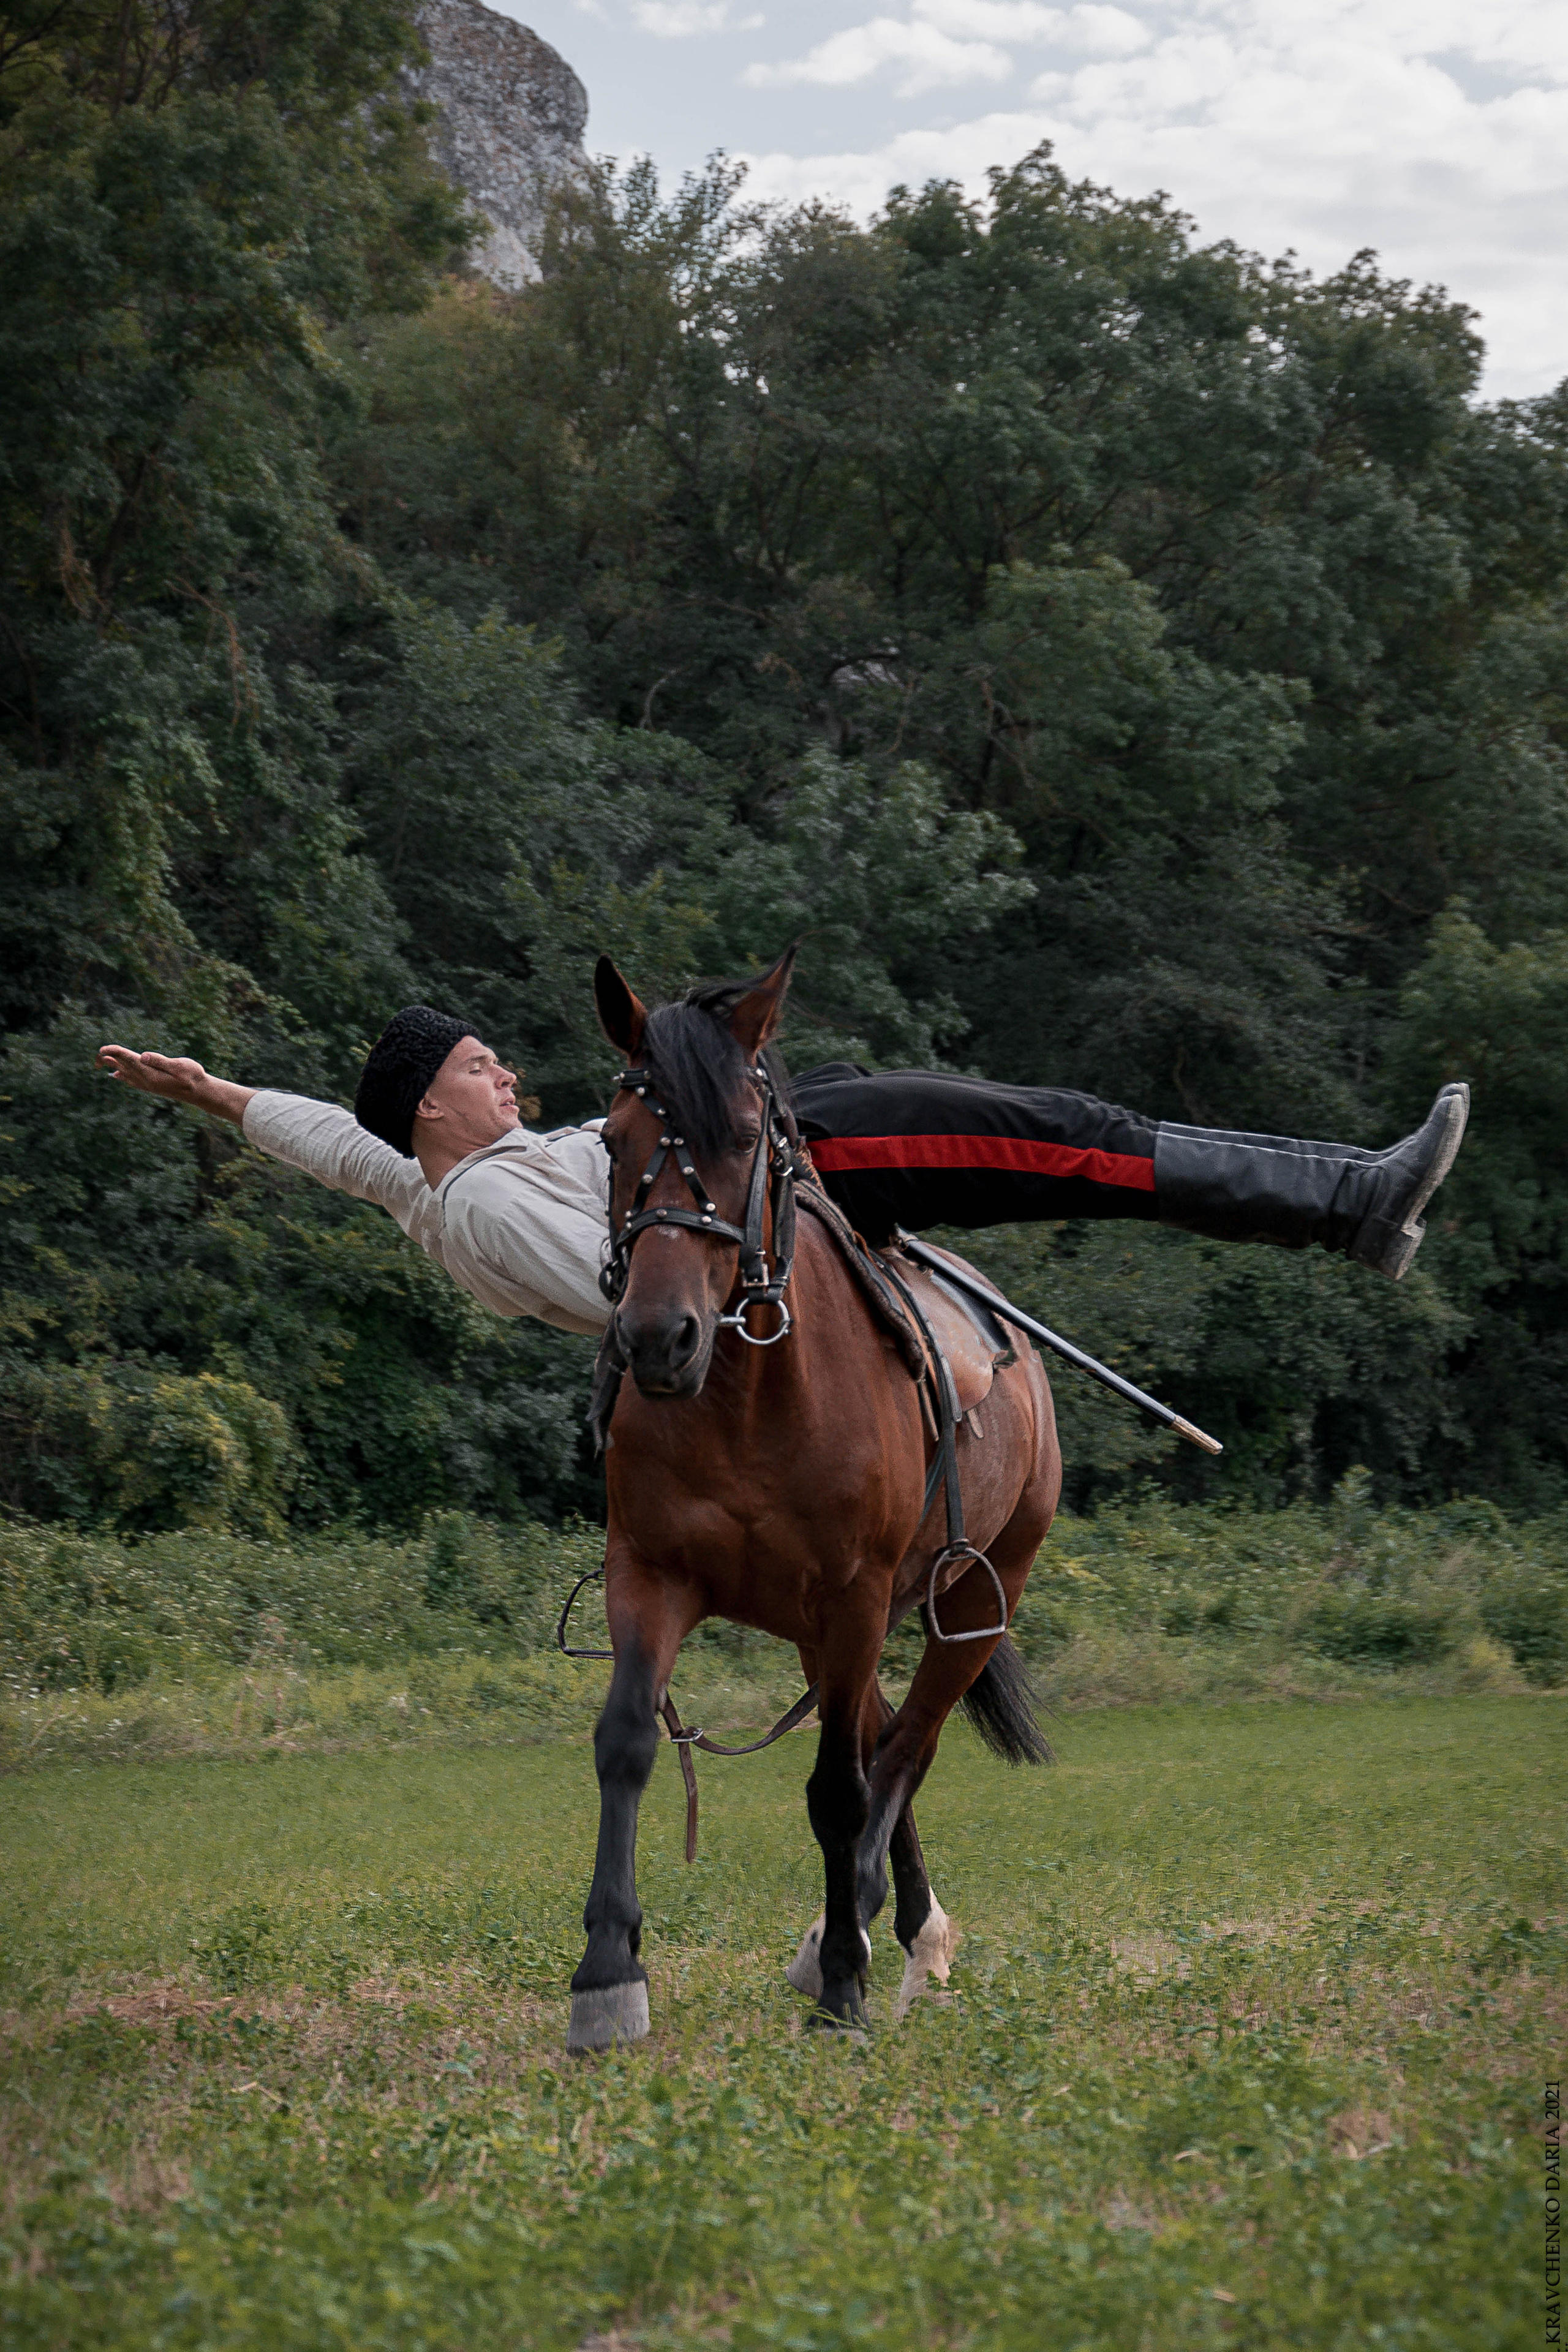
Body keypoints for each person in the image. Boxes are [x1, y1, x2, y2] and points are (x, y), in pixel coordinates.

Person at [95, 1000, 1469, 1341]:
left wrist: (212, 1091)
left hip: (771, 1167)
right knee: (1067, 1139)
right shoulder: (489, 1198)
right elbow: (633, 1297)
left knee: (1070, 1134)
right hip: (790, 1182)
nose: (505, 1077)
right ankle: (1347, 1200)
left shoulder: (426, 1175)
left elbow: (334, 1142)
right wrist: (778, 1208)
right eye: (477, 1068)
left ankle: (1344, 1200)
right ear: (432, 1111)